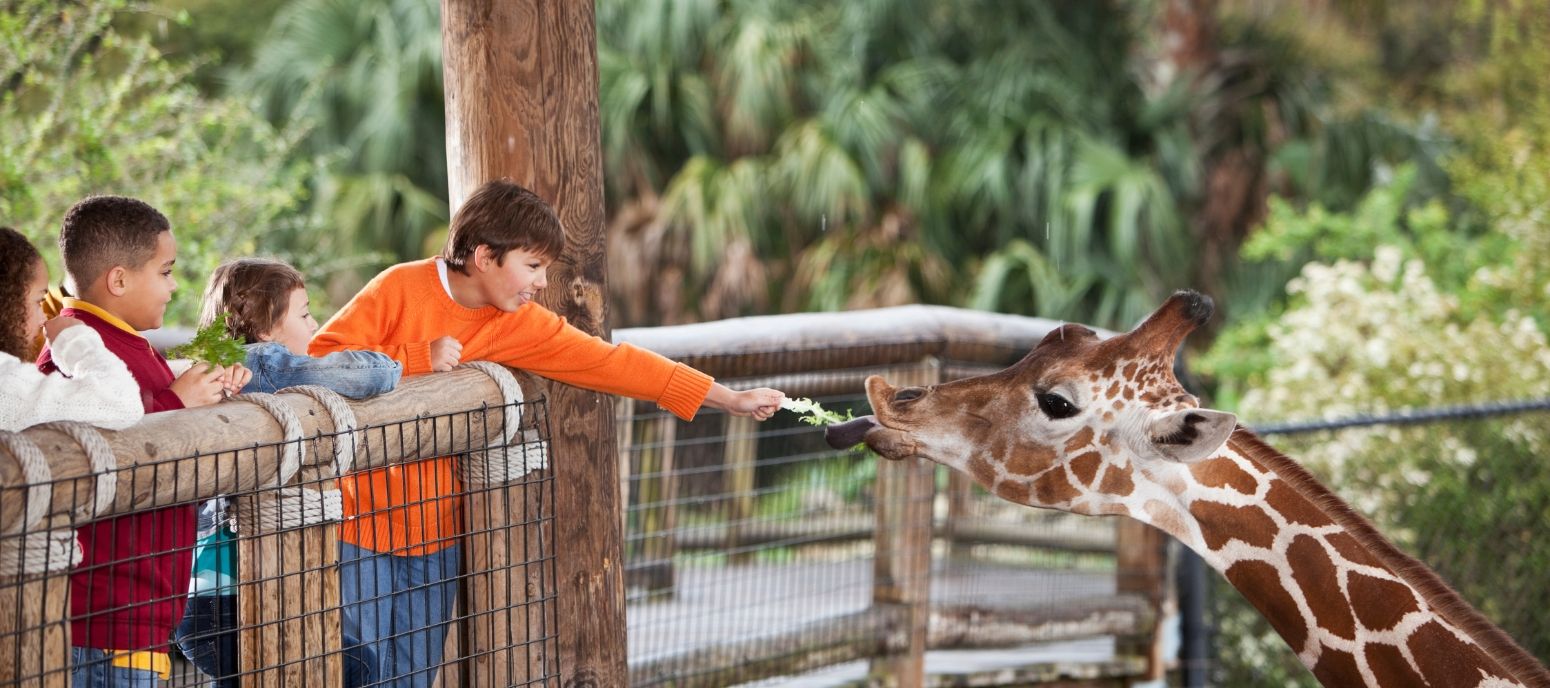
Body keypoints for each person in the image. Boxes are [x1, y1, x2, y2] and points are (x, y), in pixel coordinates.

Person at [312, 179, 784, 687]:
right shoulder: (398, 288)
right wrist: (413, 361)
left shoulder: (521, 323)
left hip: (438, 537)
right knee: (357, 673)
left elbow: (612, 363)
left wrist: (729, 398)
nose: (540, 283)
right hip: (359, 529)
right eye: (532, 266)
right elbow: (318, 361)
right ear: (485, 256)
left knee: (414, 679)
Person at [36, 196, 247, 687]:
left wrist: (205, 399)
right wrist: (177, 405)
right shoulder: (74, 351)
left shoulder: (127, 343)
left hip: (138, 610)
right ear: (119, 280)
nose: (174, 286)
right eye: (166, 271)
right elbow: (85, 445)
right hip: (103, 616)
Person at [173, 258, 400, 688]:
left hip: (200, 604)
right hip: (234, 601)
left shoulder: (211, 366)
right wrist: (395, 362)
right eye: (305, 312)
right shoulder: (262, 363)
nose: (315, 324)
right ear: (265, 330)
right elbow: (367, 374)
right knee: (361, 666)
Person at [0, 226, 143, 432]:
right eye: (38, 300)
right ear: (7, 302)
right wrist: (73, 340)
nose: (43, 318)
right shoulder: (7, 388)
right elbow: (121, 403)